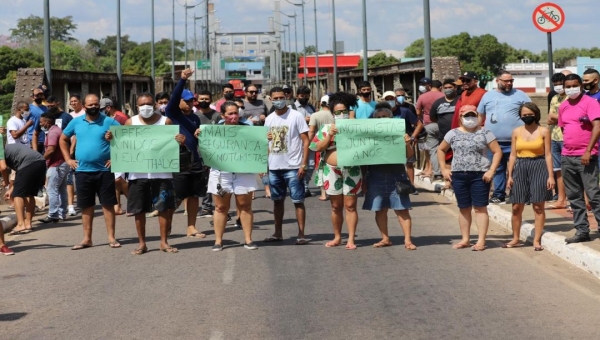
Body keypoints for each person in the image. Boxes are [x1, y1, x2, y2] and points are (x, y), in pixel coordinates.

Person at [108, 93, 185, 254]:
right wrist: (112, 138)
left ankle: (164, 242)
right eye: (142, 105)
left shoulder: (166, 122)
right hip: (138, 174)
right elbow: (122, 144)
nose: (145, 107)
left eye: (149, 104)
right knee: (139, 210)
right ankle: (142, 243)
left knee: (163, 208)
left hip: (162, 173)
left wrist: (179, 140)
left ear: (155, 105)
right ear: (137, 107)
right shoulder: (131, 122)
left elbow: (173, 146)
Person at [59, 94, 121, 250]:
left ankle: (111, 237)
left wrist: (116, 157)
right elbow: (63, 139)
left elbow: (125, 140)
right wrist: (68, 159)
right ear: (84, 106)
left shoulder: (109, 121)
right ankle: (87, 239)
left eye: (96, 104)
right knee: (86, 205)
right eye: (90, 105)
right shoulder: (76, 122)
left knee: (108, 204)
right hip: (82, 171)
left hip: (104, 170)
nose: (93, 107)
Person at [195, 101, 258, 251]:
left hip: (243, 172)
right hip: (221, 173)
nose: (234, 116)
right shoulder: (214, 130)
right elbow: (206, 149)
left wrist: (264, 139)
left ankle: (248, 239)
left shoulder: (248, 129)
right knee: (221, 207)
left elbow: (257, 149)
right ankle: (218, 241)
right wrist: (200, 135)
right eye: (230, 113)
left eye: (236, 112)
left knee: (245, 205)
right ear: (223, 115)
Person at [438, 105, 502, 251]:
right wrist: (444, 169)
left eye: (473, 115)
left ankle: (480, 241)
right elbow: (441, 149)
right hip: (459, 175)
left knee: (480, 208)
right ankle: (465, 239)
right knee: (464, 208)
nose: (470, 119)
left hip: (480, 175)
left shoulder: (485, 132)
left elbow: (497, 151)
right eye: (467, 116)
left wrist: (491, 170)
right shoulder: (452, 133)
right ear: (460, 117)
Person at [310, 92, 363, 250]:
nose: (341, 115)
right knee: (335, 206)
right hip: (331, 170)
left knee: (351, 206)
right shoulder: (326, 129)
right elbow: (316, 147)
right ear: (333, 114)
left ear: (349, 111)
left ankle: (351, 239)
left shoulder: (356, 127)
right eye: (337, 112)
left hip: (352, 169)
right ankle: (337, 237)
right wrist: (330, 137)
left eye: (344, 111)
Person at [362, 105, 417, 250]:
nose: (381, 120)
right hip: (375, 176)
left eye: (384, 117)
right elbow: (361, 159)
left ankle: (408, 240)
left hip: (396, 175)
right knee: (380, 209)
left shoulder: (400, 134)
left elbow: (409, 155)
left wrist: (407, 143)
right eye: (378, 118)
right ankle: (385, 238)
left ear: (391, 119)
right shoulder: (368, 136)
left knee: (402, 208)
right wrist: (363, 180)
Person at [264, 86, 310, 244]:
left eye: (280, 97)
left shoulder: (296, 116)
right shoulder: (269, 119)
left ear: (286, 97)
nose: (278, 100)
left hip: (293, 167)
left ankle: (301, 234)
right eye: (275, 98)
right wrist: (265, 165)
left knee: (298, 201)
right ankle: (278, 233)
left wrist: (303, 164)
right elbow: (265, 143)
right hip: (274, 168)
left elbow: (306, 141)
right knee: (277, 201)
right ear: (270, 99)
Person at [478, 70, 531, 204]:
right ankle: (499, 194)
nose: (509, 83)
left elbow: (531, 112)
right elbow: (480, 116)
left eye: (511, 81)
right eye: (506, 81)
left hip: (516, 141)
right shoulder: (487, 96)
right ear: (497, 81)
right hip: (493, 141)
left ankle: (519, 193)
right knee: (498, 168)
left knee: (518, 168)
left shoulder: (520, 95)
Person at [558, 74, 600, 244]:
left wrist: (588, 150)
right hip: (567, 157)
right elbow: (563, 129)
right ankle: (582, 230)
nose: (571, 89)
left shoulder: (590, 103)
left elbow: (597, 126)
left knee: (593, 194)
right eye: (568, 86)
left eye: (574, 85)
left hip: (586, 156)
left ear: (581, 85)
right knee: (574, 196)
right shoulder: (564, 106)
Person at [506, 103, 554, 251]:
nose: (527, 117)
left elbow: (548, 154)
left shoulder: (544, 131)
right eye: (524, 115)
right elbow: (513, 155)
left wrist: (550, 176)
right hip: (520, 166)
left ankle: (536, 240)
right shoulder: (516, 132)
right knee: (516, 206)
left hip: (539, 165)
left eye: (529, 114)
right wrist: (510, 175)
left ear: (536, 114)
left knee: (538, 206)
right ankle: (515, 238)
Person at [165, 69, 206, 238]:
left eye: (191, 101)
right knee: (178, 196)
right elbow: (173, 98)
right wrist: (182, 80)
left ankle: (191, 227)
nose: (189, 104)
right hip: (178, 161)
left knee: (194, 195)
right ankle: (167, 225)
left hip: (194, 160)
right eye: (186, 101)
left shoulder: (196, 118)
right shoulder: (172, 114)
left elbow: (198, 140)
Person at [3, 144, 46, 235]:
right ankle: (28, 224)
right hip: (41, 163)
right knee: (30, 194)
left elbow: (3, 168)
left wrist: (6, 182)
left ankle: (20, 224)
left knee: (18, 195)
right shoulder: (11, 150)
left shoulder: (2, 151)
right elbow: (21, 174)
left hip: (29, 164)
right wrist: (11, 189)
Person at [383, 91, 423, 187]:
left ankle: (412, 185)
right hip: (388, 144)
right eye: (387, 99)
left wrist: (413, 137)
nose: (389, 101)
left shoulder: (405, 111)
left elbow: (419, 124)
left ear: (395, 99)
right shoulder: (380, 113)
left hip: (405, 142)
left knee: (409, 163)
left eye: (391, 99)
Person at [39, 113, 70, 223]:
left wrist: (40, 160)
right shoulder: (57, 130)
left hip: (56, 164)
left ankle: (53, 214)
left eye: (41, 122)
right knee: (61, 189)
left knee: (52, 189)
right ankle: (61, 213)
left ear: (47, 122)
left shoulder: (52, 133)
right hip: (63, 163)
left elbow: (51, 150)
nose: (40, 124)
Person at [195, 89, 219, 218]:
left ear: (211, 99)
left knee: (217, 180)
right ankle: (206, 206)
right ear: (197, 100)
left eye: (206, 99)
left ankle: (217, 207)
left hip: (216, 153)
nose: (204, 101)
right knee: (204, 180)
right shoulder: (195, 116)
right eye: (201, 99)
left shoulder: (217, 115)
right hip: (200, 153)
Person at [546, 72, 569, 209]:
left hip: (567, 138)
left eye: (561, 84)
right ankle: (561, 199)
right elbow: (549, 118)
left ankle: (580, 200)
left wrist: (559, 116)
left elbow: (570, 117)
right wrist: (561, 116)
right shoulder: (554, 98)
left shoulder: (572, 98)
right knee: (558, 170)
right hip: (554, 137)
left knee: (572, 170)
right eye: (556, 84)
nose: (559, 87)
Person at [416, 77, 444, 179]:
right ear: (440, 87)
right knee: (445, 149)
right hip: (443, 125)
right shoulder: (443, 95)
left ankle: (436, 172)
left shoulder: (423, 97)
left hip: (428, 125)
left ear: (430, 86)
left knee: (432, 150)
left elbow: (418, 112)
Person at [309, 95, 333, 201]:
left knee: (320, 168)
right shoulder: (334, 115)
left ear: (320, 103)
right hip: (333, 143)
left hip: (320, 144)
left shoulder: (315, 115)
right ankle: (332, 190)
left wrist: (309, 144)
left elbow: (311, 131)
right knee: (331, 167)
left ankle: (323, 193)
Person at [293, 86, 317, 196]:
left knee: (311, 164)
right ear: (297, 96)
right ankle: (300, 186)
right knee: (300, 164)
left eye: (307, 96)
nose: (304, 98)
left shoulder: (311, 107)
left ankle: (305, 185)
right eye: (302, 96)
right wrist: (303, 119)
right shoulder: (291, 107)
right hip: (298, 140)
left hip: (311, 139)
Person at [27, 87, 48, 154]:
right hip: (31, 139)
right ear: (33, 97)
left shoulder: (46, 108)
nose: (39, 97)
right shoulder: (28, 108)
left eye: (41, 95)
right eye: (37, 95)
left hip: (44, 139)